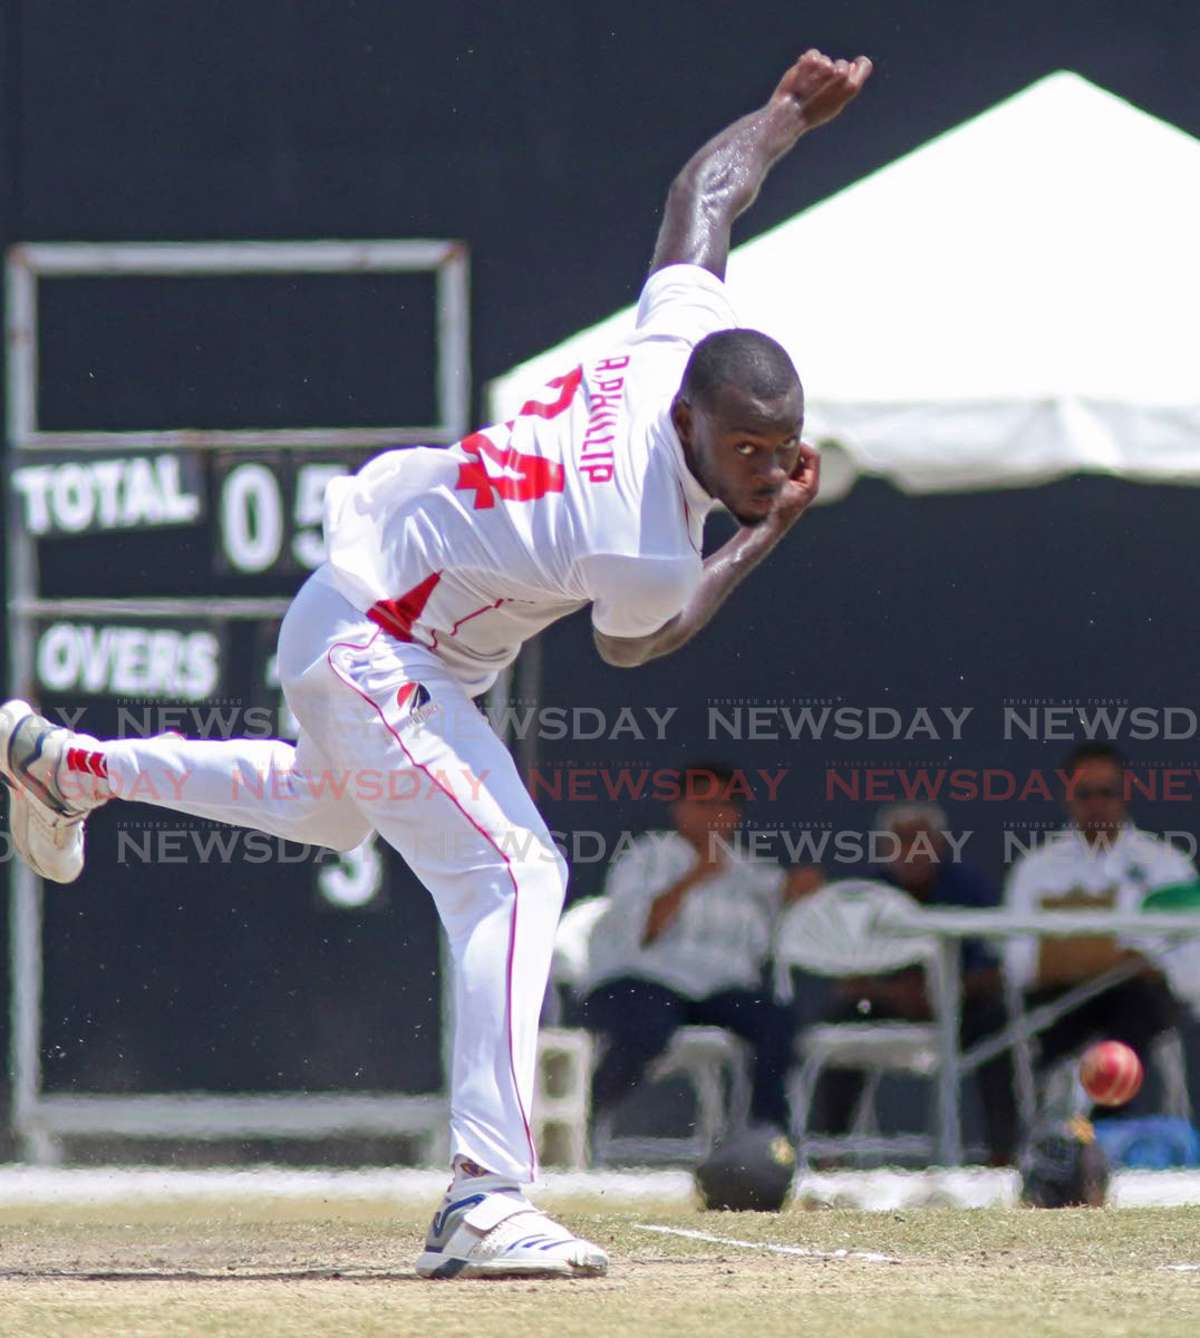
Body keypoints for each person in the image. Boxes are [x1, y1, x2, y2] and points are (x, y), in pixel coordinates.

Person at [0, 48, 873, 1280]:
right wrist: (767, 531)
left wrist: (781, 118)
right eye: (746, 452)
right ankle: (484, 1197)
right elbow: (636, 640)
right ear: (688, 420)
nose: (767, 467)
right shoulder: (640, 533)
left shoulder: (680, 347)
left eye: (781, 449)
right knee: (515, 872)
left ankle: (68, 766)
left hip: (367, 619)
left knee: (326, 809)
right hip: (380, 642)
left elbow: (704, 198)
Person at [581, 762, 817, 1135]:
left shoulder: (746, 867)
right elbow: (642, 931)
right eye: (703, 803)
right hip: (643, 979)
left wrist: (800, 889)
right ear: (679, 807)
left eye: (725, 805)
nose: (714, 815)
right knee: (646, 1029)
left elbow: (783, 897)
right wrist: (695, 876)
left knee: (775, 1023)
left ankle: (765, 1138)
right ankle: (581, 1120)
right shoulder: (645, 856)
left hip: (716, 990)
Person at [807, 803, 1019, 1165]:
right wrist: (892, 992)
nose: (912, 850)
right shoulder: (867, 896)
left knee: (996, 1022)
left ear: (940, 844)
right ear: (885, 848)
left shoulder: (970, 889)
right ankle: (829, 1152)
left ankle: (1004, 1153)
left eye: (921, 840)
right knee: (843, 1015)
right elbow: (846, 979)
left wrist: (944, 991)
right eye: (901, 841)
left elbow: (997, 969)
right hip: (886, 1004)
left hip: (959, 1004)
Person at [1004, 742, 1196, 1121]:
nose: (1096, 804)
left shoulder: (1165, 864)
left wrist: (1147, 963)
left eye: (1106, 792)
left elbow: (1192, 958)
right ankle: (1057, 1131)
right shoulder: (1036, 869)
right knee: (1044, 1027)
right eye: (1084, 794)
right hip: (1063, 996)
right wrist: (1076, 959)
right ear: (1068, 797)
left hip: (1138, 998)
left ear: (1125, 794)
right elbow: (1016, 960)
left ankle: (1106, 1128)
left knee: (1132, 1012)